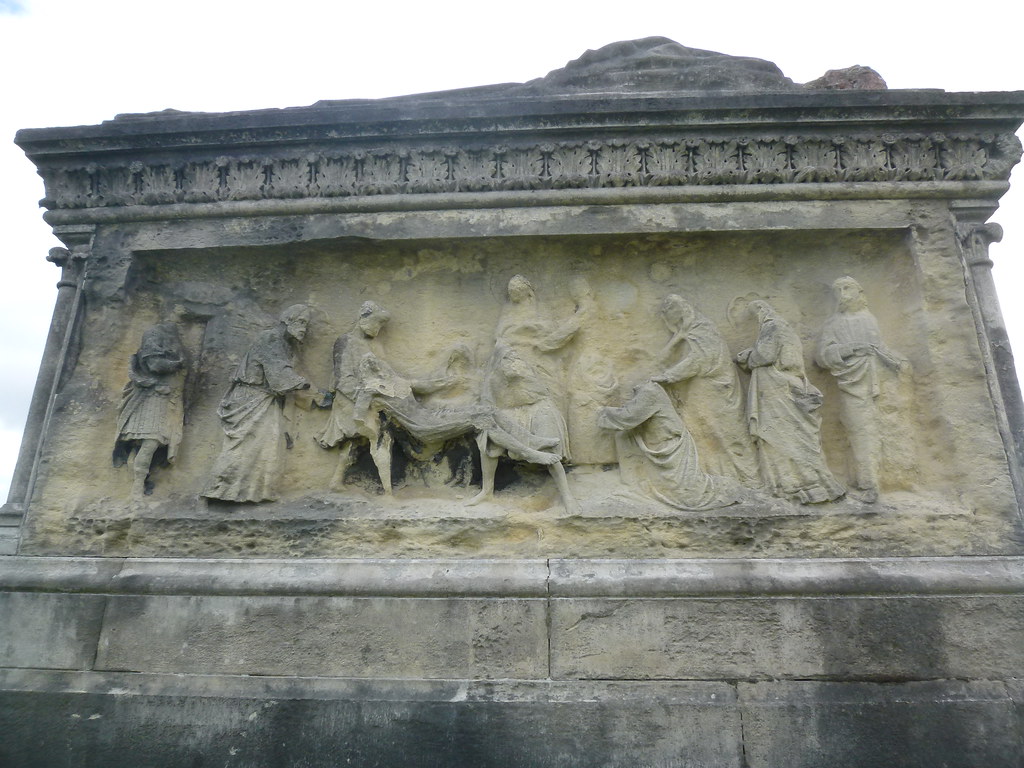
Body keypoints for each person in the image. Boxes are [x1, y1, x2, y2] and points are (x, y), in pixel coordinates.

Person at [203, 304, 320, 502]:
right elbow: (280, 376)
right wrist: (310, 389)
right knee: (244, 446)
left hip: (265, 399)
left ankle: (255, 493)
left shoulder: (286, 344)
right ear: (287, 320)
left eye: (306, 325)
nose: (303, 329)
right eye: (300, 322)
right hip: (251, 398)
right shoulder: (271, 338)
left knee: (268, 446)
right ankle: (220, 491)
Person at [736, 300, 844, 504]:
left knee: (779, 437)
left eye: (755, 314)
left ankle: (792, 485)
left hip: (777, 389)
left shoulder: (772, 326)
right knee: (792, 437)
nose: (756, 319)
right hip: (788, 384)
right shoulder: (786, 328)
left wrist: (747, 357)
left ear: (762, 311)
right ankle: (801, 485)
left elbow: (765, 355)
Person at [652, 295, 760, 487]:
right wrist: (677, 338)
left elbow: (701, 359)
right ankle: (716, 477)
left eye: (669, 315)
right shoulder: (686, 332)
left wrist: (670, 376)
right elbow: (662, 359)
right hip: (699, 394)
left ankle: (751, 479)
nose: (669, 321)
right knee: (701, 433)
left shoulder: (702, 329)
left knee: (729, 434)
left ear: (679, 311)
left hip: (716, 391)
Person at [816, 277, 904, 502]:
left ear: (860, 292)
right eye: (838, 290)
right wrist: (851, 349)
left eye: (847, 288)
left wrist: (897, 362)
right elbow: (822, 356)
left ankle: (873, 485)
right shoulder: (833, 324)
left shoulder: (870, 320)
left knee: (875, 432)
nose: (842, 294)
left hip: (877, 384)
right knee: (859, 431)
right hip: (852, 384)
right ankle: (867, 484)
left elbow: (880, 349)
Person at [598, 379, 742, 510]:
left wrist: (601, 412)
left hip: (672, 449)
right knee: (624, 436)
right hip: (661, 447)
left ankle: (729, 488)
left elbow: (628, 417)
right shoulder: (648, 391)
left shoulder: (650, 391)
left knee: (689, 496)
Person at [468, 342, 577, 513]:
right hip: (510, 414)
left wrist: (522, 375)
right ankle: (486, 491)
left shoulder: (525, 371)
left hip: (538, 408)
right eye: (506, 359)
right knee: (487, 436)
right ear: (498, 362)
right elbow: (487, 408)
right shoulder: (493, 381)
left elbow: (541, 393)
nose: (511, 362)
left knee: (549, 440)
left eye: (514, 358)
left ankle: (567, 495)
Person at [113, 323, 185, 497]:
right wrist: (178, 363)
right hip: (151, 398)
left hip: (163, 399)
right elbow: (155, 365)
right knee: (150, 442)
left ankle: (139, 483)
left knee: (148, 445)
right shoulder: (154, 335)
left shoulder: (169, 334)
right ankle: (137, 487)